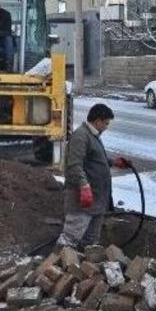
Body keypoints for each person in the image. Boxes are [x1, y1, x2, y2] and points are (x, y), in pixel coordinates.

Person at [57, 103, 130, 248]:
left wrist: (113, 162)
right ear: (97, 120)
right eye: (106, 123)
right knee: (70, 238)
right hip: (82, 201)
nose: (107, 127)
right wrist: (84, 185)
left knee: (90, 241)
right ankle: (54, 266)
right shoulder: (81, 136)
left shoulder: (93, 135)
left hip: (96, 200)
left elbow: (93, 159)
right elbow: (74, 165)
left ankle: (84, 267)